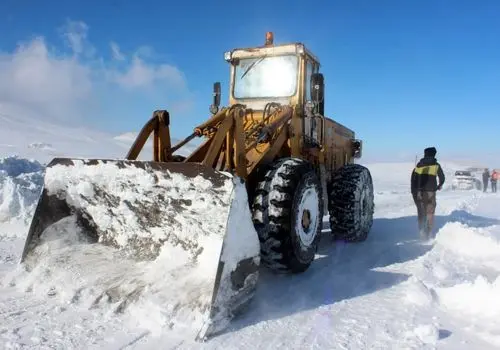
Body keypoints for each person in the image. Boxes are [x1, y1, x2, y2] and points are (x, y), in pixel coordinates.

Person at [411, 147, 445, 240]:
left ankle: (422, 230)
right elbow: (442, 177)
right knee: (430, 212)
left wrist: (415, 191)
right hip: (431, 192)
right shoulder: (436, 165)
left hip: (419, 192)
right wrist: (439, 185)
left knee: (421, 212)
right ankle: (428, 232)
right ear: (434, 154)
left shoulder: (419, 165)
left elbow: (415, 179)